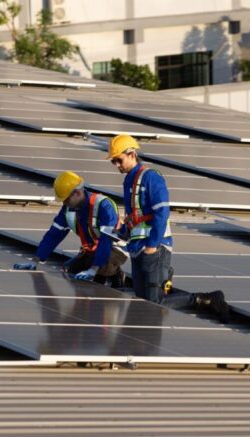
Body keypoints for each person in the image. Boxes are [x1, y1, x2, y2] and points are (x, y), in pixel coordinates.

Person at [107, 134, 230, 322]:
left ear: (131, 154)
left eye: (118, 159)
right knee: (143, 301)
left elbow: (161, 213)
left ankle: (207, 299)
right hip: (137, 248)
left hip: (155, 246)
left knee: (154, 301)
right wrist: (122, 232)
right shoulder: (128, 181)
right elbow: (136, 216)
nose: (116, 165)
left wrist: (152, 245)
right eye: (113, 161)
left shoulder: (151, 177)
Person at [13, 170, 127, 287]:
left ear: (77, 193)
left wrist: (94, 269)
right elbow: (54, 235)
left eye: (66, 199)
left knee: (99, 270)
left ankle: (116, 274)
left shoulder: (103, 205)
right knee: (73, 271)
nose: (64, 203)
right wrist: (35, 260)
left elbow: (106, 240)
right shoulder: (68, 209)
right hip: (93, 249)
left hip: (116, 247)